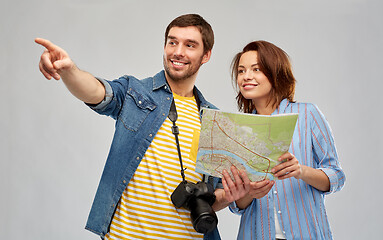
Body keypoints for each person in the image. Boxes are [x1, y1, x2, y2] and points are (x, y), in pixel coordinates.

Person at [35, 14, 233, 240]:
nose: (178, 51)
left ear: (205, 55)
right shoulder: (135, 91)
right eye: (172, 42)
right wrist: (69, 70)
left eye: (190, 45)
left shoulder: (215, 120)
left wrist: (232, 194)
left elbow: (214, 195)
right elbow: (98, 92)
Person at [221, 40, 346, 240]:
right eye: (241, 71)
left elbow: (337, 177)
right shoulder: (238, 130)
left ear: (275, 73)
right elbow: (238, 206)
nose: (247, 77)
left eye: (256, 69)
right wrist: (249, 192)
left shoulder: (307, 115)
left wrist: (301, 171)